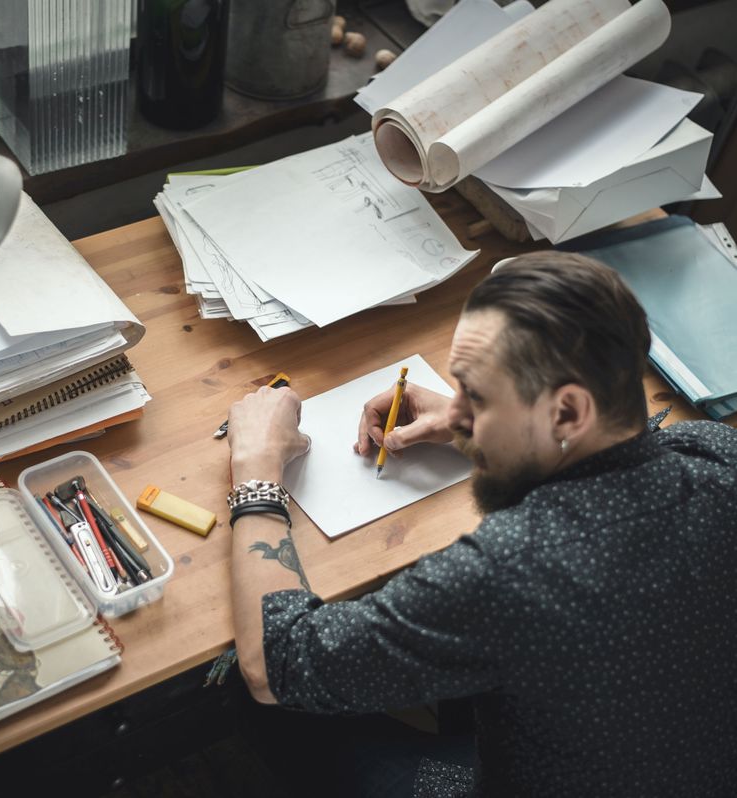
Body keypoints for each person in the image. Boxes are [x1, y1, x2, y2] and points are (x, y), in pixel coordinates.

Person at [224, 251, 737, 797]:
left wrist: (255, 465)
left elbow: (275, 663)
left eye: (477, 397)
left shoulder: (510, 571)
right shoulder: (717, 452)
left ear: (566, 413)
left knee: (249, 689)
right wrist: (493, 422)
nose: (456, 414)